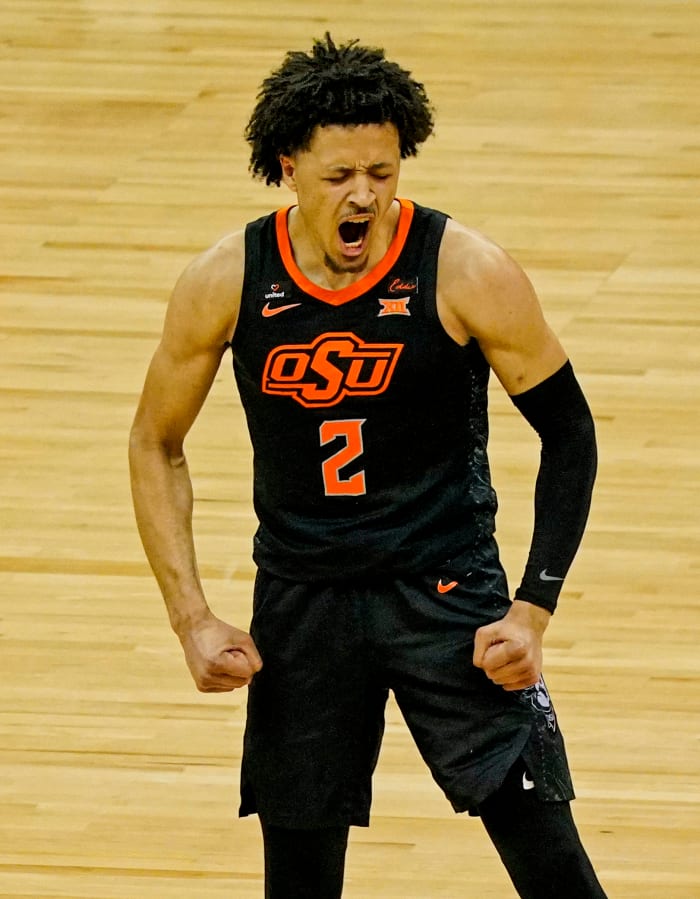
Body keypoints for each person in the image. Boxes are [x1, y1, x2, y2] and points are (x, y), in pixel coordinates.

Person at [129, 33, 607, 899]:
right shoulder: (226, 280)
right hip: (303, 603)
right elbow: (155, 443)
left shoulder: (466, 269)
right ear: (288, 168)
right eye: (340, 176)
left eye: (382, 174)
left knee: (556, 868)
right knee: (300, 885)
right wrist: (191, 616)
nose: (365, 197)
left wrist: (533, 609)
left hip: (448, 597)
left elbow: (570, 434)